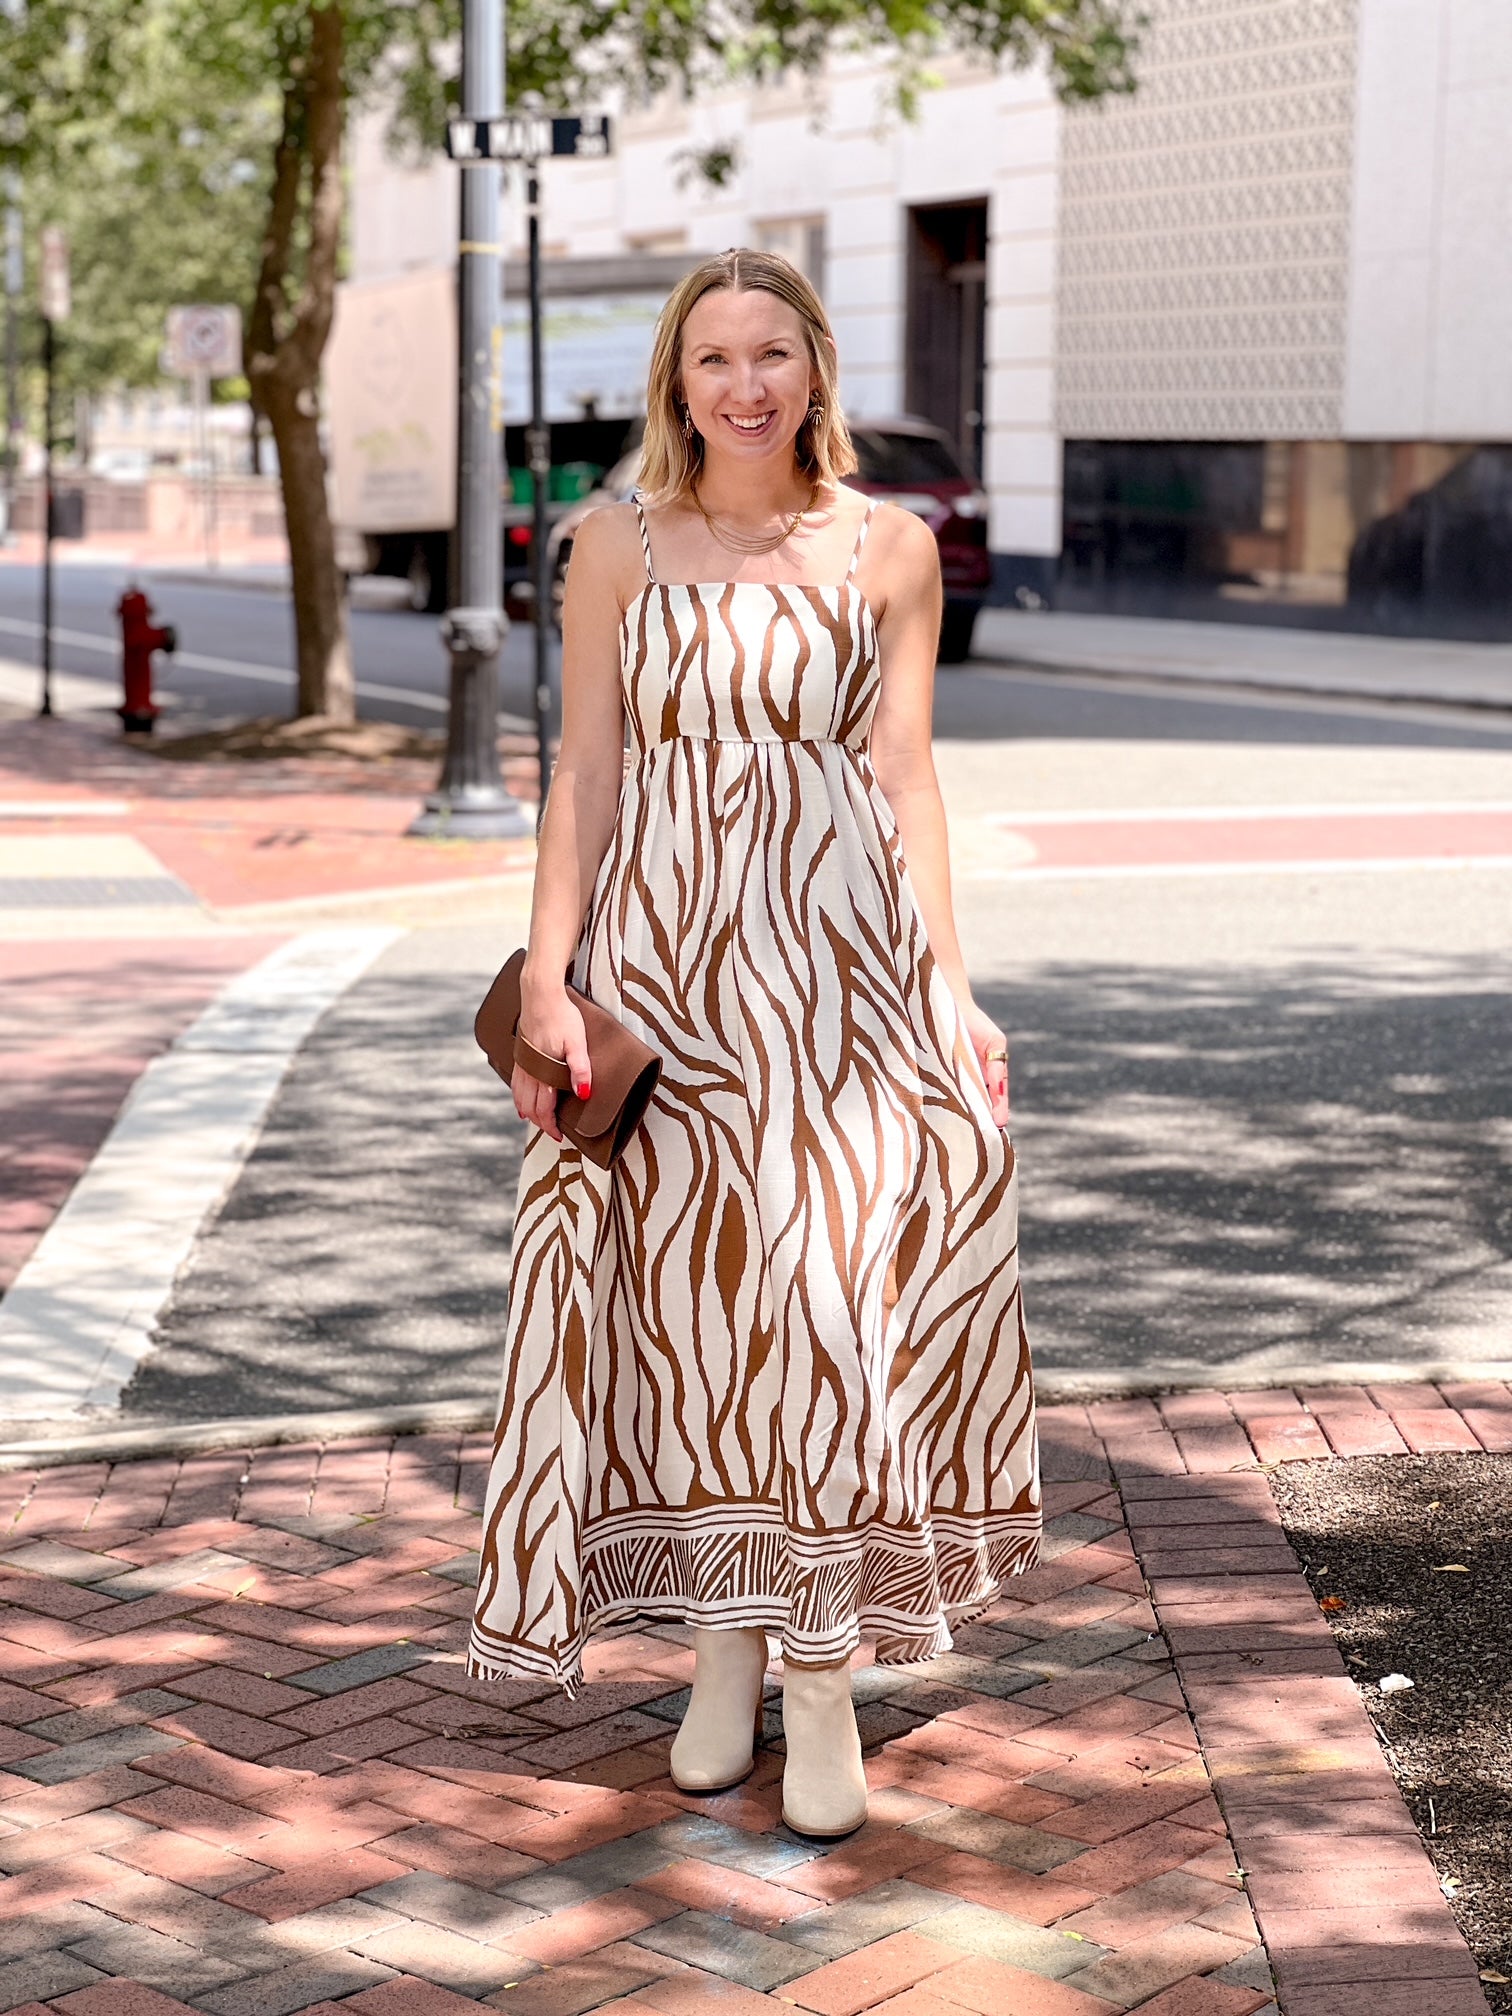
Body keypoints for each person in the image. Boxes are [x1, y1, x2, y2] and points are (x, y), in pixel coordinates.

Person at [469, 247, 1040, 1840]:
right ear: (677, 376)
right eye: (713, 356)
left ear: (815, 369)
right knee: (699, 1310)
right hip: (667, 966)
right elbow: (582, 771)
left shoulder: (888, 545)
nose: (743, 384)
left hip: (842, 971)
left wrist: (951, 983)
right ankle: (725, 1647)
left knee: (838, 1294)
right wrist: (551, 982)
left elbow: (908, 773)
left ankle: (829, 1668)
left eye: (769, 353)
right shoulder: (615, 541)